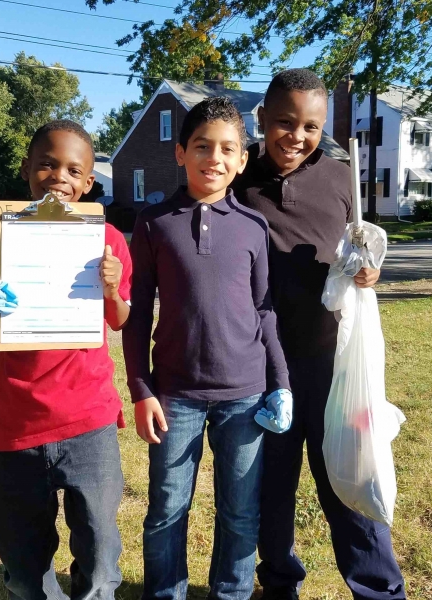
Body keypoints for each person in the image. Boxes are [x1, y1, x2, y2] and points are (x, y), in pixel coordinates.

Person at [232, 69, 406, 600]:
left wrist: (369, 268)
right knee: (271, 490)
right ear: (261, 119)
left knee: (349, 482)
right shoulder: (236, 179)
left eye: (311, 126)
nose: (297, 136)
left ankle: (379, 589)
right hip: (263, 368)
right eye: (284, 122)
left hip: (335, 366)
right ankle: (279, 583)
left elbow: (359, 256)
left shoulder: (339, 178)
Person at [122, 96, 292, 600]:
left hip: (245, 396)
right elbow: (136, 314)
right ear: (181, 153)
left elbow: (264, 310)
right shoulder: (153, 223)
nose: (213, 158)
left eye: (227, 149)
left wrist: (280, 384)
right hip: (175, 396)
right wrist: (141, 388)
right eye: (201, 146)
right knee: (167, 509)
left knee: (241, 512)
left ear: (242, 159)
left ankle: (232, 593)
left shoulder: (254, 227)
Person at [0, 119, 132, 600]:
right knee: (23, 563)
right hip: (20, 423)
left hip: (90, 420)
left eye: (73, 169)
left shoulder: (109, 243)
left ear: (87, 182)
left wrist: (111, 287)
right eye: (47, 163)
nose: (58, 175)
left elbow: (120, 318)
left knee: (101, 555)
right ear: (26, 169)